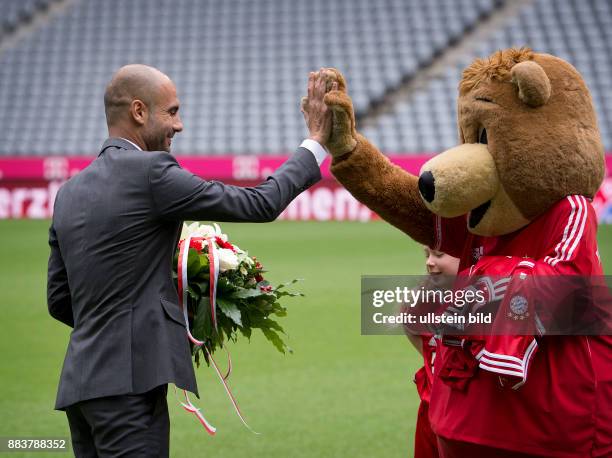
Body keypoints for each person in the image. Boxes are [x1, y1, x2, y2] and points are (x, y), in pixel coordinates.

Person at [47, 64, 335, 457]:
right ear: (138, 111)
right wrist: (315, 142)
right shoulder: (151, 172)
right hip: (130, 387)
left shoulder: (68, 192)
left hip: (81, 387)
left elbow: (60, 300)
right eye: (172, 111)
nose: (179, 125)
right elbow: (260, 203)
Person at [403, 247, 459, 458]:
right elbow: (412, 329)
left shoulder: (486, 303)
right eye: (426, 255)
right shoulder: (424, 303)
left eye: (438, 254)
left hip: (463, 419)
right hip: (430, 414)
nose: (429, 262)